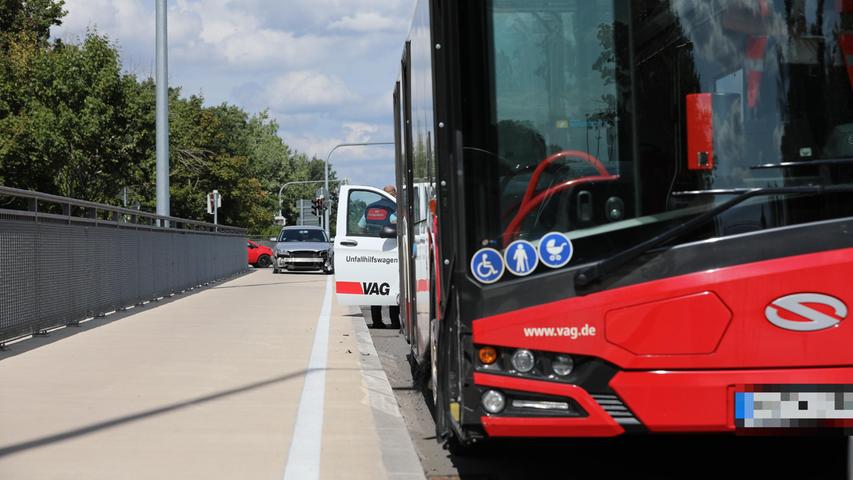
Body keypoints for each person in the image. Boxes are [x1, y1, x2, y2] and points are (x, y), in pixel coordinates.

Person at [369, 185, 401, 330]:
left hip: (373, 249)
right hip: (391, 249)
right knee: (394, 286)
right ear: (393, 194)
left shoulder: (370, 209)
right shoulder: (395, 209)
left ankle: (377, 321)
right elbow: (398, 224)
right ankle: (395, 322)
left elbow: (361, 225)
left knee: (376, 287)